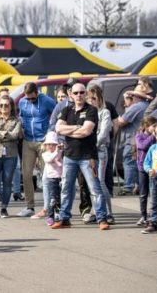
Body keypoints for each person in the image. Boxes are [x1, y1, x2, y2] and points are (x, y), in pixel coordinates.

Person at [53, 83, 109, 230]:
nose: (79, 95)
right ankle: (64, 218)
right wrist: (77, 127)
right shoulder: (66, 110)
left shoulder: (92, 110)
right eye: (76, 93)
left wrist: (70, 130)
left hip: (87, 156)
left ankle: (102, 218)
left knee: (94, 188)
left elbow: (86, 131)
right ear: (71, 94)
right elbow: (58, 128)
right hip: (69, 155)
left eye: (81, 92)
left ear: (86, 94)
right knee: (66, 187)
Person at [17, 82, 56, 217]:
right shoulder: (22, 102)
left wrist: (50, 132)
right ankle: (30, 206)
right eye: (28, 98)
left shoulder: (47, 101)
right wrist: (21, 126)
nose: (30, 101)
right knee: (26, 174)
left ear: (37, 92)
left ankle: (50, 206)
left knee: (48, 175)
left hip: (43, 142)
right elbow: (21, 116)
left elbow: (57, 115)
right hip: (28, 140)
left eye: (32, 98)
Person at [87, 85, 115, 224]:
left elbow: (103, 134)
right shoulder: (86, 112)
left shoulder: (105, 112)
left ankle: (109, 213)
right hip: (87, 151)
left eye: (94, 98)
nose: (91, 101)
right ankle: (97, 211)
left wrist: (92, 144)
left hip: (100, 150)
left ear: (100, 98)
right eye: (89, 98)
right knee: (92, 183)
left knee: (101, 182)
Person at [117, 87, 151, 195]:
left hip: (133, 139)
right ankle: (139, 186)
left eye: (132, 96)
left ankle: (128, 186)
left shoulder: (136, 107)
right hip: (143, 138)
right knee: (139, 163)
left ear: (136, 97)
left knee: (129, 162)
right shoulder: (146, 105)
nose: (131, 98)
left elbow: (122, 121)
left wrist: (115, 119)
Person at [135, 116, 157, 226]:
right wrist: (153, 137)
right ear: (147, 126)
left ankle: (155, 215)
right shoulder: (140, 135)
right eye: (154, 126)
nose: (155, 128)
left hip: (155, 168)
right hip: (143, 168)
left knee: (155, 193)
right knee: (143, 193)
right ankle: (143, 215)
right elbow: (142, 146)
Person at [41, 131, 63, 226]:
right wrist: (57, 151)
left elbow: (61, 160)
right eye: (48, 144)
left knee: (60, 198)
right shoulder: (45, 154)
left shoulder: (58, 152)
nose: (51, 146)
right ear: (45, 146)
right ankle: (50, 216)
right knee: (52, 199)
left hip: (60, 178)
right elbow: (49, 160)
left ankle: (58, 214)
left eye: (53, 144)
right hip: (51, 179)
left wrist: (61, 149)